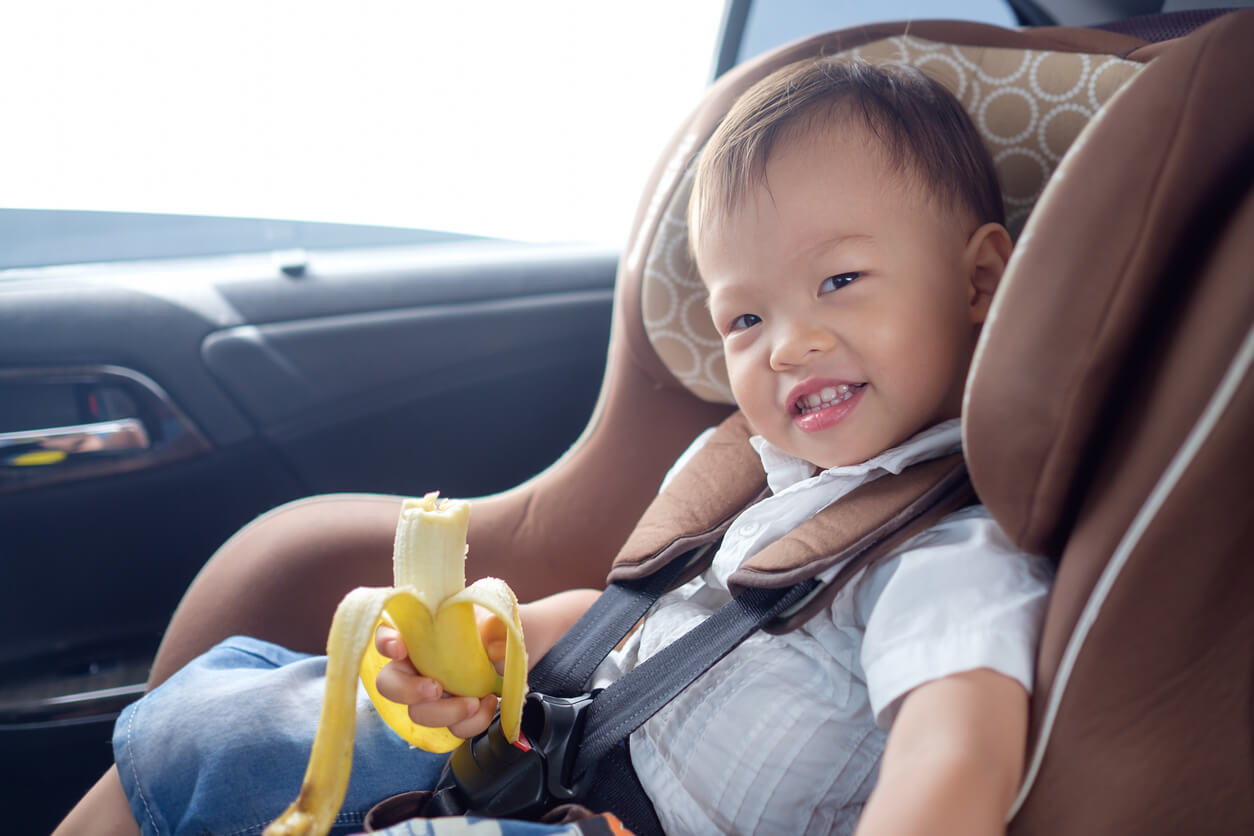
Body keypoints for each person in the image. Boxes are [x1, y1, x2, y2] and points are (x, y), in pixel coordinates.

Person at [55, 58, 1052, 836]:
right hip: (547, 758)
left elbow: (950, 765)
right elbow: (647, 626)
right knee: (216, 720)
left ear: (978, 281)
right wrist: (511, 644)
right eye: (744, 317)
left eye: (840, 281)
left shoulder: (951, 557)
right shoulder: (760, 473)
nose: (789, 342)